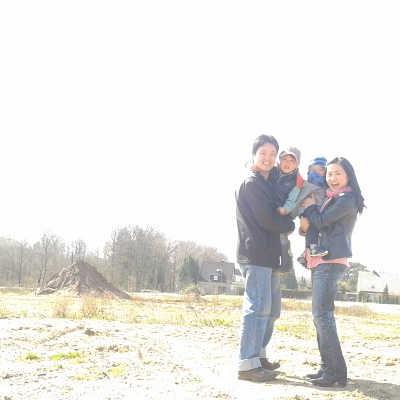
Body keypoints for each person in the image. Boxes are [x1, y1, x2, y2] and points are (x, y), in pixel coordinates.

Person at [300, 157, 365, 387]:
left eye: (338, 173)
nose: (333, 178)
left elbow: (321, 221)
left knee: (322, 315)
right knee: (320, 316)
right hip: (320, 260)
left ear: (348, 176)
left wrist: (309, 207)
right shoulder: (331, 197)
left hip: (331, 260)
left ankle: (336, 372)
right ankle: (327, 367)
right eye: (329, 174)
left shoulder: (347, 199)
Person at [236, 134, 295, 382]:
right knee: (257, 307)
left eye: (272, 154)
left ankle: (258, 357)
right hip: (255, 253)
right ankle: (247, 365)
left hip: (269, 256)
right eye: (263, 153)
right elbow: (268, 220)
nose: (268, 158)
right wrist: (290, 224)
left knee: (270, 311)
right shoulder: (252, 183)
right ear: (254, 155)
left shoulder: (268, 182)